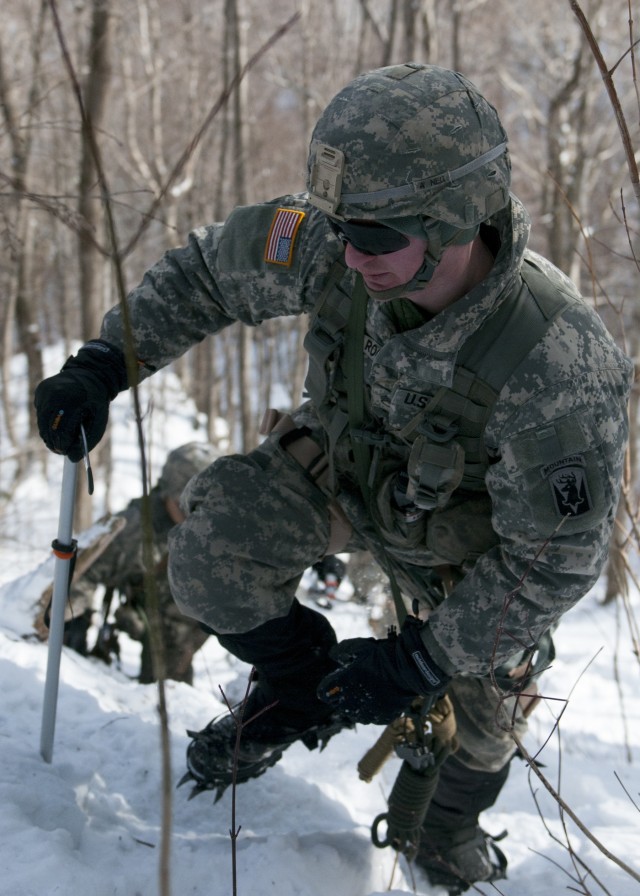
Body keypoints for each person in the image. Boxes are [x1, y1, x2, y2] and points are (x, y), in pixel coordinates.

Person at [33, 63, 632, 893]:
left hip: (473, 562)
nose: (351, 255)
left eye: (378, 237)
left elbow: (554, 562)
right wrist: (104, 364)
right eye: (342, 228)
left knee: (478, 735)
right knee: (212, 549)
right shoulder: (346, 243)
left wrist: (418, 661)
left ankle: (446, 836)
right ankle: (295, 693)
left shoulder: (556, 364)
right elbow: (210, 273)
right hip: (343, 476)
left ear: (455, 218)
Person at [63, 442, 220, 684]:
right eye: (187, 504)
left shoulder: (214, 530)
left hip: (179, 623)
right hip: (146, 606)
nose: (195, 513)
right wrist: (74, 621)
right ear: (170, 492)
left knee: (172, 685)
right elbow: (81, 569)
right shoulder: (134, 526)